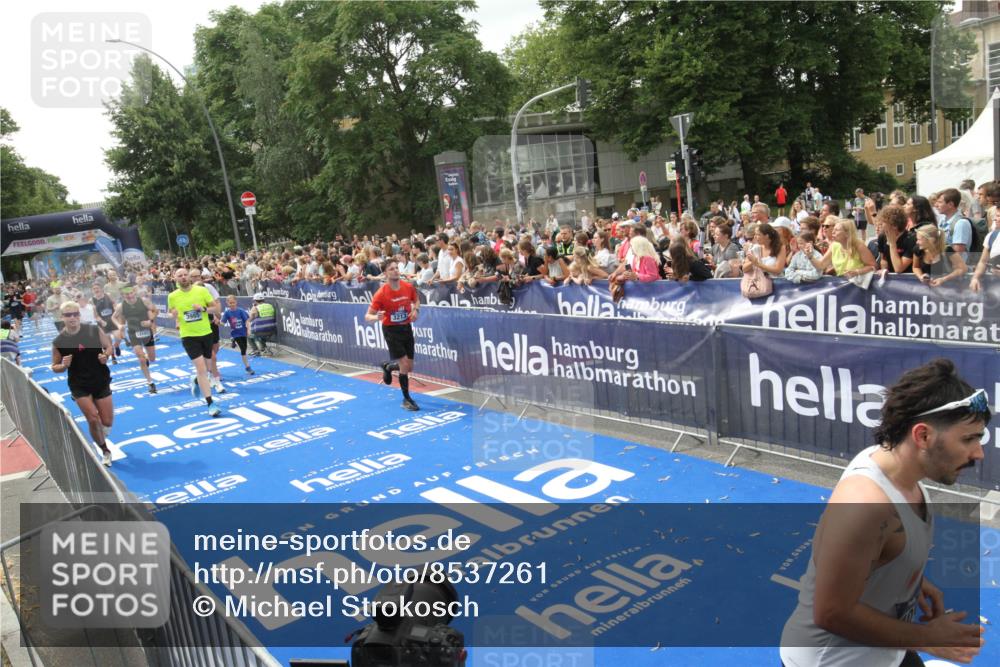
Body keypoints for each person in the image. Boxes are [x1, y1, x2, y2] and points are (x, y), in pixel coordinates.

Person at [780, 358, 988, 666]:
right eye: (968, 439)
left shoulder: (896, 468)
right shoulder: (866, 505)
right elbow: (831, 613)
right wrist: (929, 638)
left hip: (882, 653)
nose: (978, 453)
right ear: (923, 436)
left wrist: (909, 578)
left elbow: (878, 553)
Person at [51, 301, 115, 467]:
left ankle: (100, 433)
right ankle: (105, 450)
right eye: (68, 315)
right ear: (62, 317)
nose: (72, 317)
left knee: (107, 422)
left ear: (79, 315)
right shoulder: (59, 341)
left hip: (100, 379)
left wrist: (106, 356)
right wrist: (63, 366)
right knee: (93, 419)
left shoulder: (93, 330)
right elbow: (55, 367)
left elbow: (109, 346)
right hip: (79, 384)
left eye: (75, 314)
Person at [366, 260, 420, 411]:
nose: (396, 271)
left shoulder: (408, 287)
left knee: (409, 367)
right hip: (391, 331)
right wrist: (377, 317)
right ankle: (407, 398)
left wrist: (416, 310)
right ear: (385, 273)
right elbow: (367, 316)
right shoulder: (381, 293)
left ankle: (388, 367)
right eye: (391, 269)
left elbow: (416, 300)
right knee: (404, 364)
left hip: (406, 328)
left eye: (397, 268)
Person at [167, 268, 222, 417]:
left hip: (206, 333)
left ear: (190, 277)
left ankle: (196, 380)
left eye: (185, 275)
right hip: (189, 336)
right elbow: (172, 312)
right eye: (180, 275)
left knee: (208, 368)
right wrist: (173, 316)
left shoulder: (201, 291)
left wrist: (203, 308)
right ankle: (210, 403)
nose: (183, 277)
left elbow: (216, 309)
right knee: (202, 370)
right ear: (175, 278)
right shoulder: (172, 296)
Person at [112, 285, 159, 394]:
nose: (128, 296)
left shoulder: (144, 301)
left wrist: (150, 321)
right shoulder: (121, 306)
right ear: (123, 295)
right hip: (133, 333)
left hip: (146, 331)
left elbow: (156, 311)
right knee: (141, 358)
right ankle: (150, 383)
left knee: (152, 359)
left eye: (130, 293)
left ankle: (147, 358)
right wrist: (119, 325)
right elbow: (113, 317)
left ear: (134, 292)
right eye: (126, 294)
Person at [189, 268, 226, 394]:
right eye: (193, 277)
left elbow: (216, 304)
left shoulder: (209, 287)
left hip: (212, 323)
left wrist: (217, 316)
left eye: (198, 276)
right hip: (200, 328)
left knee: (214, 351)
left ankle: (204, 373)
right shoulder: (188, 292)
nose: (196, 278)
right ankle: (216, 380)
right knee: (212, 356)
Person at [221, 295, 254, 375]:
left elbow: (247, 321)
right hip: (235, 333)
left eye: (233, 302)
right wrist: (217, 321)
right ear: (227, 303)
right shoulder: (227, 313)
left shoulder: (240, 311)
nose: (232, 304)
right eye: (230, 303)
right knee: (243, 349)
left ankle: (233, 340)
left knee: (245, 348)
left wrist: (249, 330)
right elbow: (222, 323)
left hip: (243, 332)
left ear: (236, 302)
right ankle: (247, 367)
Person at [91, 283, 121, 364]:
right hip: (103, 323)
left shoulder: (108, 295)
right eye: (94, 289)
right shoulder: (92, 300)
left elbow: (114, 304)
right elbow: (96, 316)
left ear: (101, 289)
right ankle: (113, 357)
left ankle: (117, 346)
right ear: (92, 291)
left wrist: (115, 310)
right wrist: (101, 321)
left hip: (112, 320)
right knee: (108, 342)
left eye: (97, 288)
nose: (96, 290)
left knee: (119, 336)